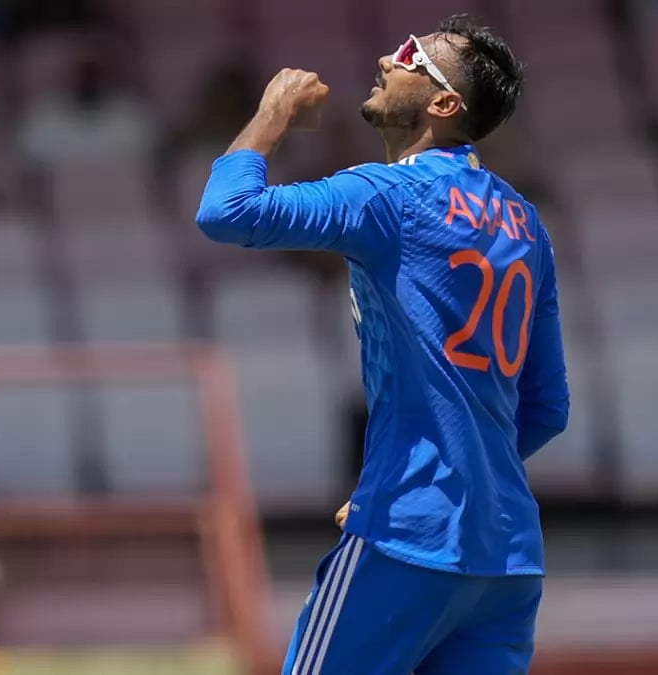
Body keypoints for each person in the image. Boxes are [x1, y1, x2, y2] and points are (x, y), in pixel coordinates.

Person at [195, 14, 569, 675]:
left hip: (408, 538)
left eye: (408, 56)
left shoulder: (388, 196)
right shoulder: (525, 223)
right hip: (507, 559)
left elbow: (227, 211)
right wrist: (455, 471)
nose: (387, 57)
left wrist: (273, 113)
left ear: (444, 103)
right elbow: (547, 408)